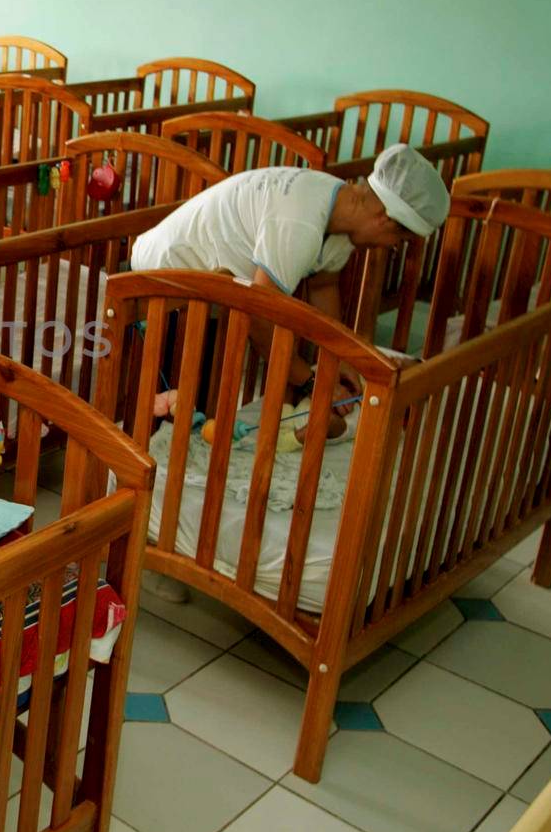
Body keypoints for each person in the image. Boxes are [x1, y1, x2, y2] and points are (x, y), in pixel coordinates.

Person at [127, 143, 450, 599]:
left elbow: (323, 287)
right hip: (165, 280)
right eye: (398, 240)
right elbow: (261, 314)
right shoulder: (301, 218)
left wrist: (336, 361)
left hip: (214, 287)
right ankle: (148, 548)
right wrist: (308, 379)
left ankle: (162, 535)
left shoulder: (338, 217)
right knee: (170, 412)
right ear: (383, 220)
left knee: (195, 411)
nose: (391, 248)